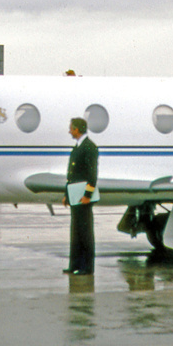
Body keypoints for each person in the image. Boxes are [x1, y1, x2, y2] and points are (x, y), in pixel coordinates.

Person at [64, 117, 98, 275]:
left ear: (77, 129)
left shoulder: (89, 147)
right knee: (76, 231)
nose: (69, 131)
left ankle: (87, 267)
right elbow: (71, 175)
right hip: (74, 194)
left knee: (85, 233)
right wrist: (67, 194)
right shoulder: (77, 147)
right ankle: (75, 265)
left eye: (71, 128)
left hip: (83, 196)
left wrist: (87, 195)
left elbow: (92, 174)